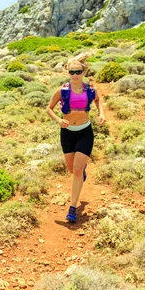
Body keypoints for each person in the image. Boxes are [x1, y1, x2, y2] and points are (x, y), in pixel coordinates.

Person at [46, 53, 105, 223]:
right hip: (67, 133)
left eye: (78, 72)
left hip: (84, 132)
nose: (75, 75)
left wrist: (101, 114)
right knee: (72, 170)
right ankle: (81, 171)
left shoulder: (90, 90)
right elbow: (49, 108)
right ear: (68, 73)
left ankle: (72, 208)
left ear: (83, 72)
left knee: (77, 171)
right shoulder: (62, 90)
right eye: (71, 72)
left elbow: (98, 100)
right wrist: (59, 120)